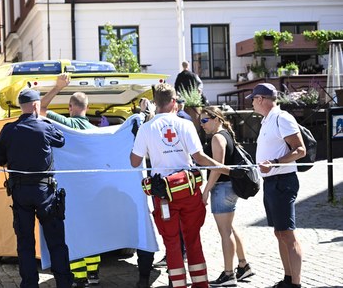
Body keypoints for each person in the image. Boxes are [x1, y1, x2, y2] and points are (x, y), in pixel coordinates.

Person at [130, 83, 231, 288]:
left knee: (172, 243)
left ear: (155, 103)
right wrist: (224, 168)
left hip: (163, 195)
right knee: (193, 240)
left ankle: (178, 285)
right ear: (174, 102)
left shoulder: (146, 128)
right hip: (188, 191)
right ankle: (200, 284)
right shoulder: (185, 125)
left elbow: (134, 161)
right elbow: (199, 157)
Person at [0, 88, 73, 288]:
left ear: (21, 106)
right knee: (56, 241)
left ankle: (29, 284)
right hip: (44, 192)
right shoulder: (44, 127)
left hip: (20, 193)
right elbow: (61, 141)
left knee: (25, 243)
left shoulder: (8, 130)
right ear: (36, 105)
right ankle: (63, 283)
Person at [40, 73, 102, 287]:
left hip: (71, 190)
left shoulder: (66, 123)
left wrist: (57, 87)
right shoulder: (96, 131)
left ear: (70, 106)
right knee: (91, 230)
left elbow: (41, 108)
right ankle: (94, 275)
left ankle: (79, 277)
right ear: (87, 106)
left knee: (73, 231)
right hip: (93, 191)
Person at [247, 83, 305, 288]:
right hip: (272, 182)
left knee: (287, 233)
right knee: (279, 232)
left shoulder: (282, 118)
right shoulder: (267, 120)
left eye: (253, 99)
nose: (252, 103)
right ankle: (288, 279)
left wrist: (275, 164)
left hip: (283, 181)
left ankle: (295, 284)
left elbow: (300, 150)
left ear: (261, 99)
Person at [200, 106, 254, 286]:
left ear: (216, 119)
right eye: (201, 121)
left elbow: (217, 168)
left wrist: (206, 190)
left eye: (205, 120)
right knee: (229, 228)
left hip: (222, 188)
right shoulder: (226, 134)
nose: (202, 125)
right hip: (229, 188)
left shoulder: (217, 137)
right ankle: (243, 265)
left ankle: (229, 274)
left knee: (225, 232)